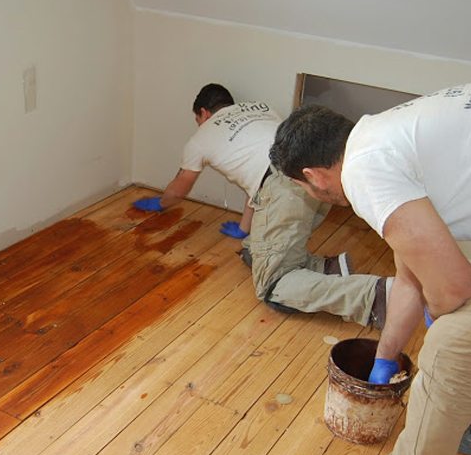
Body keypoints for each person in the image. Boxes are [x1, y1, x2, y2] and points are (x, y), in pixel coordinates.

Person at [269, 80, 471, 455]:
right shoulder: (385, 137)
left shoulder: (365, 172)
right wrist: (384, 357)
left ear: (313, 177)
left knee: (453, 348)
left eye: (307, 189)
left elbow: (453, 288)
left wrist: (445, 312)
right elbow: (410, 275)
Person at [133, 83, 390, 329]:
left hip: (288, 191)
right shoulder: (260, 108)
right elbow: (258, 179)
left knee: (272, 287)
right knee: (252, 252)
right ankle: (328, 270)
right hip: (313, 182)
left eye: (198, 119)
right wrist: (246, 229)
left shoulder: (201, 137)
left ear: (203, 112)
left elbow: (180, 187)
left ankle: (375, 296)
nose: (200, 124)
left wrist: (161, 203)